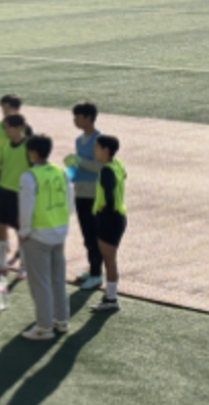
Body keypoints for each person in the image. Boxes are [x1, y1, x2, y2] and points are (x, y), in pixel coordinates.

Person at [18, 135, 75, 340]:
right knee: (58, 280)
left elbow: (26, 208)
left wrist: (24, 233)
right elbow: (70, 202)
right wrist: (61, 223)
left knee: (40, 283)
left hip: (38, 236)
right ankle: (62, 320)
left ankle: (44, 327)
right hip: (59, 232)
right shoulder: (61, 172)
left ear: (32, 152)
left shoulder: (29, 176)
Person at [0, 94, 33, 268]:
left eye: (8, 108)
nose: (5, 112)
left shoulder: (27, 133)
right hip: (3, 183)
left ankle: (23, 258)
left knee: (21, 225)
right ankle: (3, 255)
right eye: (3, 108)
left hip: (20, 189)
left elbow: (33, 161)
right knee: (1, 223)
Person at [64, 102, 104, 291]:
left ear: (88, 118)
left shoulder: (99, 140)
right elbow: (81, 167)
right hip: (81, 192)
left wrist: (80, 160)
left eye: (78, 117)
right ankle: (93, 268)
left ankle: (97, 274)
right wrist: (71, 170)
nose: (75, 121)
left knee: (95, 235)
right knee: (87, 235)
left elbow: (100, 167)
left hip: (94, 194)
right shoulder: (79, 140)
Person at [92, 135, 127, 312]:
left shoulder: (106, 170)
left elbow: (109, 197)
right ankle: (110, 295)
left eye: (96, 147)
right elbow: (124, 176)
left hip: (109, 218)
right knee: (110, 259)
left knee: (109, 260)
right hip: (119, 217)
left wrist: (104, 211)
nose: (94, 150)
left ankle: (111, 299)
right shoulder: (117, 164)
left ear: (105, 150)